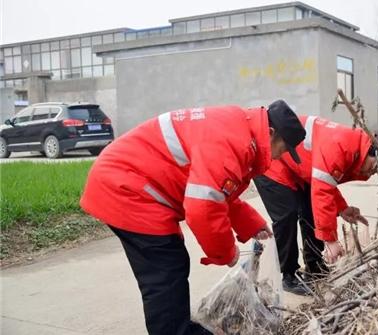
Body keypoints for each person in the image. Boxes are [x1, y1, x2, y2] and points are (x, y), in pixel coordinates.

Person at [80, 100, 305, 335]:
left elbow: (217, 192)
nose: (280, 157)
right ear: (270, 134)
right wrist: (225, 252)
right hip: (127, 188)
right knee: (166, 269)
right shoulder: (233, 142)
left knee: (170, 266)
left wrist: (251, 223)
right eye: (283, 149)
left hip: (132, 182)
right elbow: (203, 207)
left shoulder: (239, 128)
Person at [254, 116, 378, 295]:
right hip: (273, 159)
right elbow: (322, 191)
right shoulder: (341, 146)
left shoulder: (354, 147)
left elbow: (325, 182)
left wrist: (342, 208)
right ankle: (289, 275)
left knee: (310, 211)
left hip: (299, 168)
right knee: (286, 214)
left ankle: (315, 268)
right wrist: (330, 240)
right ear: (370, 151)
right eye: (375, 167)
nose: (372, 172)